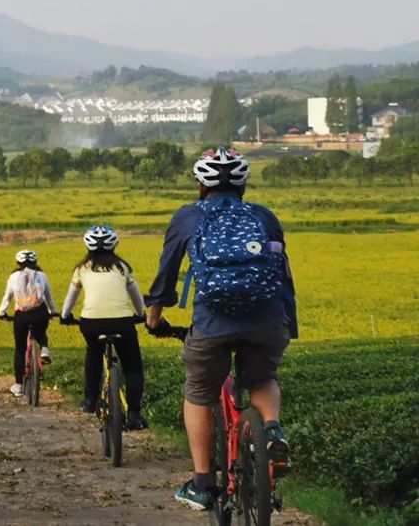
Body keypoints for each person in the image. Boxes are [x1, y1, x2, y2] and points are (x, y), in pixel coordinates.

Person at [145, 148, 297, 510]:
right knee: (262, 378)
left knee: (199, 391)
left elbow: (167, 276)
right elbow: (282, 273)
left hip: (213, 325)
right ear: (243, 183)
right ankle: (272, 430)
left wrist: (154, 318)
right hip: (268, 320)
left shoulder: (188, 218)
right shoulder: (264, 216)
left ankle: (201, 484)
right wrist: (287, 325)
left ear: (201, 184)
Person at [60, 225, 148, 430]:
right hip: (122, 322)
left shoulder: (82, 269)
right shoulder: (123, 268)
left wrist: (65, 316)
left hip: (91, 322)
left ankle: (90, 401)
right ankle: (134, 414)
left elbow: (70, 299)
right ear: (114, 244)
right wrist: (141, 315)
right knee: (133, 367)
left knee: (93, 354)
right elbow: (136, 298)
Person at [0, 249, 57, 397]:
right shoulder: (42, 275)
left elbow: (7, 297)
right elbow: (48, 295)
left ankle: (18, 385)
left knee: (20, 349)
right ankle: (44, 349)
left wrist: (1, 313)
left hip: (22, 315)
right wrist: (52, 311)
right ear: (35, 262)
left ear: (18, 263)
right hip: (40, 313)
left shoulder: (13, 277)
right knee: (41, 332)